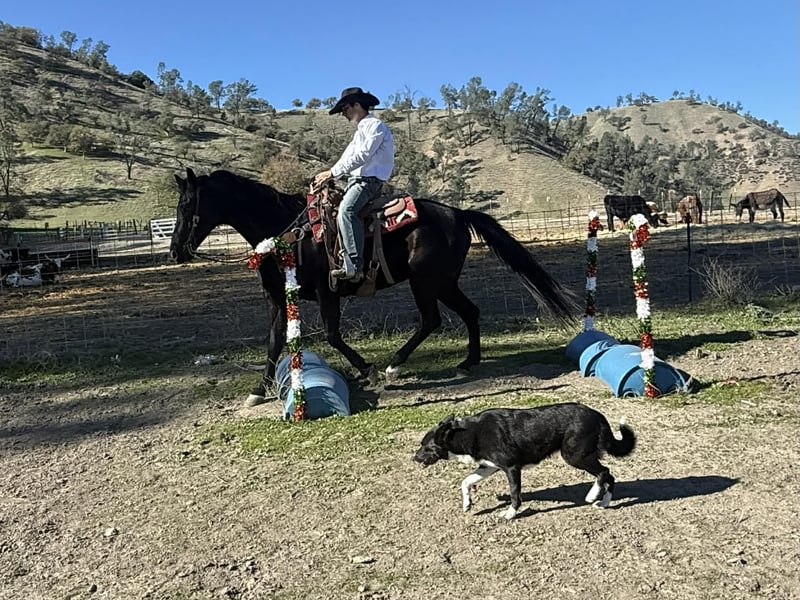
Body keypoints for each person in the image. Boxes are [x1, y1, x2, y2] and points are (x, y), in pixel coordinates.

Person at [313, 87, 394, 281]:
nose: (343, 114)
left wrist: (332, 173)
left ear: (357, 105)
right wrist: (329, 176)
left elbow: (362, 155)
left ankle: (354, 266)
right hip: (356, 181)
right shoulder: (361, 131)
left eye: (345, 108)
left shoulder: (375, 126)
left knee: (347, 211)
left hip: (368, 182)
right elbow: (347, 158)